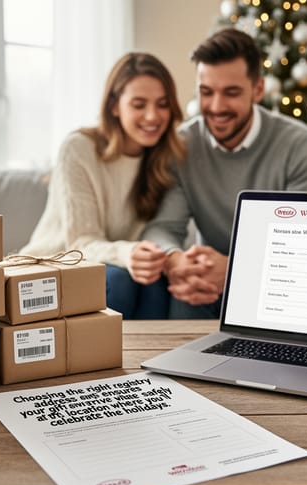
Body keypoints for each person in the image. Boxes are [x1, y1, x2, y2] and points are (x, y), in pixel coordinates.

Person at [142, 28, 307, 319]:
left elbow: (305, 247)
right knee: (189, 291)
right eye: (206, 92)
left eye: (231, 93)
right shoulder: (181, 145)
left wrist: (234, 270)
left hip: (278, 286)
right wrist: (176, 261)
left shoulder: (299, 144)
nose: (216, 107)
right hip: (204, 284)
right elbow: (163, 227)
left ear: (258, 90)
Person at [19, 52, 185, 319]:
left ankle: (152, 360)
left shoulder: (165, 157)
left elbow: (165, 229)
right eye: (139, 104)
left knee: (155, 282)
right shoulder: (78, 148)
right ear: (114, 106)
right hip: (56, 264)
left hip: (123, 268)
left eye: (163, 104)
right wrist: (128, 252)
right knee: (118, 280)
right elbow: (80, 243)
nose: (153, 116)